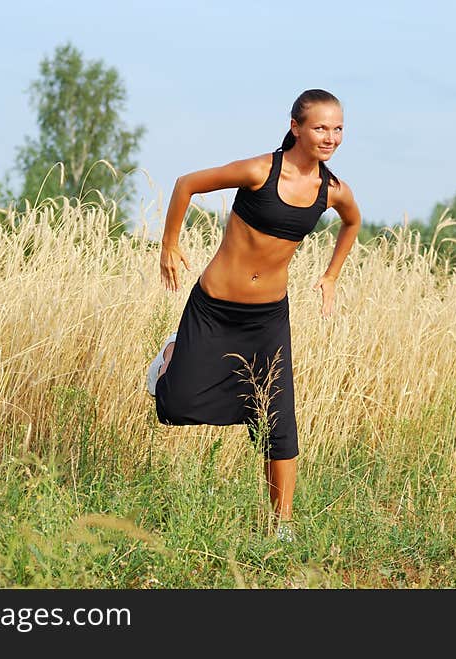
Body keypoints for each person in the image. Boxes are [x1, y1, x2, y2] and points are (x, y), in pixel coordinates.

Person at [146, 88, 361, 542]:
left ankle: (281, 527)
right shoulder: (259, 171)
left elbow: (353, 222)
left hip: (268, 319)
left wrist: (331, 277)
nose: (331, 136)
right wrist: (169, 244)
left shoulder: (333, 190)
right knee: (178, 404)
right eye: (321, 127)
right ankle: (170, 355)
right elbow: (187, 183)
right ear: (295, 127)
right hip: (215, 307)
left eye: (338, 128)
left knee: (277, 418)